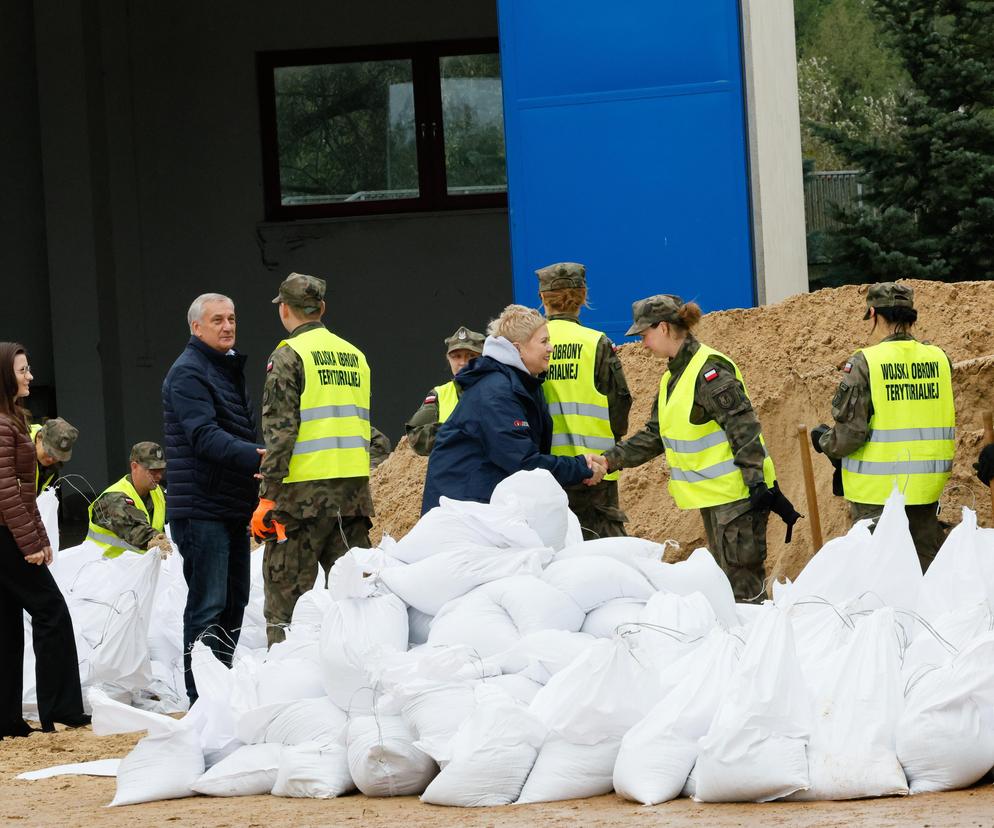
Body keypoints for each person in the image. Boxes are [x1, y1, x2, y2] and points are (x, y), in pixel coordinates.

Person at [603, 295, 799, 603]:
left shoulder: (708, 372)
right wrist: (609, 461)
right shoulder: (675, 376)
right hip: (719, 500)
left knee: (744, 594)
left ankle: (757, 649)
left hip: (738, 498)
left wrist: (757, 485)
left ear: (664, 328)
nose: (642, 343)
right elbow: (656, 435)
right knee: (728, 591)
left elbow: (743, 427)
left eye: (644, 335)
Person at [254, 273, 373, 647]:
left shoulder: (288, 356)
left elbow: (282, 433)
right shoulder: (355, 356)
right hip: (352, 500)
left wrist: (267, 498)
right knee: (359, 603)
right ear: (322, 308)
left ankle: (284, 689)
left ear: (284, 310)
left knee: (286, 610)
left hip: (300, 504)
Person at [162, 293, 264, 703]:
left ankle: (220, 686)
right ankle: (202, 698)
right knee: (208, 605)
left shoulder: (224, 368)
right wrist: (257, 457)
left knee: (234, 601)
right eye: (217, 320)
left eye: (232, 318)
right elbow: (203, 436)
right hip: (202, 508)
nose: (227, 326)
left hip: (229, 505)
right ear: (196, 327)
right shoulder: (189, 373)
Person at [812, 282, 955, 573]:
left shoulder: (866, 363)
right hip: (926, 493)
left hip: (877, 499)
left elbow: (850, 436)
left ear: (874, 313)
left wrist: (824, 441)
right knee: (926, 581)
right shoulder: (940, 360)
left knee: (880, 585)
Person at [422, 304, 606, 513]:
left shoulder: (521, 384)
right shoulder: (496, 392)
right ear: (518, 349)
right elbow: (522, 462)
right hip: (464, 514)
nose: (551, 348)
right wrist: (580, 467)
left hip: (480, 507)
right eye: (544, 341)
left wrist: (581, 465)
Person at [0, 342, 88, 737]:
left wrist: (40, 536)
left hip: (9, 535)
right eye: (22, 370)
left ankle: (8, 720)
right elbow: (6, 493)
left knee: (6, 625)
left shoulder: (12, 420)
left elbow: (24, 490)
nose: (30, 376)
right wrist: (30, 543)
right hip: (5, 538)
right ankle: (61, 709)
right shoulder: (3, 426)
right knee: (51, 612)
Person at [537, 262, 632, 539]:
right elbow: (620, 403)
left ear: (543, 298)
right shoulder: (596, 343)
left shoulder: (530, 342)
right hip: (595, 469)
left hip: (545, 468)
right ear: (582, 298)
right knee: (603, 552)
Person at [405, 326, 485, 456]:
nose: (463, 362)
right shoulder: (439, 394)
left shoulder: (496, 388)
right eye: (456, 356)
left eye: (471, 356)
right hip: (451, 470)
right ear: (448, 359)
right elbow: (416, 434)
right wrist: (459, 434)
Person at [87, 441, 171, 560]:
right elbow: (137, 531)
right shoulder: (113, 499)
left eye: (161, 470)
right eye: (153, 471)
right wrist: (163, 542)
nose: (159, 476)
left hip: (137, 570)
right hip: (106, 570)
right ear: (134, 466)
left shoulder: (159, 493)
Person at [30, 417, 78, 495]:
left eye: (57, 457)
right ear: (39, 437)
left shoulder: (51, 468)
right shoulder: (17, 445)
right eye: (49, 452)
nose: (51, 459)